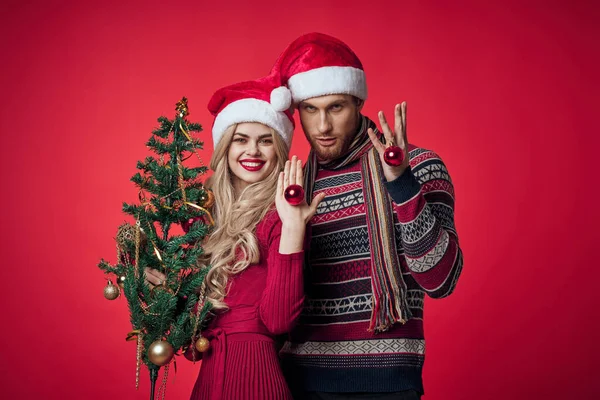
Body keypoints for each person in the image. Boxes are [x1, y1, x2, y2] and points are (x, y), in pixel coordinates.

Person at [269, 33, 465, 399]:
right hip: (298, 383)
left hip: (388, 386)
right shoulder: (289, 188)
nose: (323, 126)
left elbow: (441, 280)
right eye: (310, 109)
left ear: (358, 101)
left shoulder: (420, 166)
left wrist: (402, 185)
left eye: (336, 107)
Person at [145, 76, 324, 400]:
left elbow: (279, 320)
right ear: (225, 146)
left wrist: (294, 229)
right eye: (241, 139)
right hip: (211, 378)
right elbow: (194, 334)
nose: (252, 150)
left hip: (256, 378)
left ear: (279, 147)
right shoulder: (203, 217)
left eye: (265, 140)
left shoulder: (281, 215)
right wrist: (167, 293)